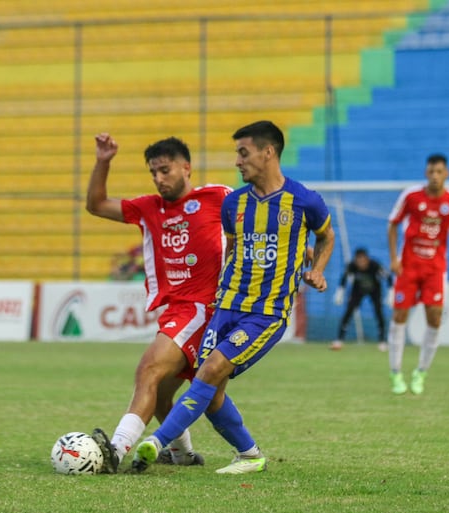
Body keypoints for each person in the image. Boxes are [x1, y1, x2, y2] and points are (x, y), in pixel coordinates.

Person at [131, 120, 335, 474]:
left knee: (209, 372)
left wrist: (316, 268)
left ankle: (156, 441)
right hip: (225, 308)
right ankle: (250, 455)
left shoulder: (304, 200)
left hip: (265, 313)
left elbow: (326, 236)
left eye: (243, 152)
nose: (238, 161)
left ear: (268, 152)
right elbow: (233, 249)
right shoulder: (233, 205)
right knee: (212, 393)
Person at [86, 133, 232, 473]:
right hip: (176, 311)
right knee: (162, 396)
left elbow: (258, 220)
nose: (159, 179)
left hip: (202, 308)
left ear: (186, 168)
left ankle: (116, 451)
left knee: (148, 370)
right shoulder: (148, 207)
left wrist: (304, 251)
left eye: (165, 170)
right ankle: (183, 455)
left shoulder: (217, 197)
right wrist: (103, 161)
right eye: (153, 172)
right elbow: (96, 204)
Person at [387, 153, 449, 395]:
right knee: (399, 317)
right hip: (408, 267)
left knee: (435, 319)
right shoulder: (410, 196)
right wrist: (393, 258)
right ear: (425, 173)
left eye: (439, 172)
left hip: (435, 269)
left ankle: (421, 372)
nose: (434, 176)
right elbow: (393, 224)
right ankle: (396, 373)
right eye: (431, 171)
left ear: (446, 174)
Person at [330, 247, 390, 351]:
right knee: (348, 312)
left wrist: (391, 293)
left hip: (375, 290)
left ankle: (382, 341)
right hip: (357, 290)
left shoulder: (375, 265)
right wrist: (340, 292)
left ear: (367, 259)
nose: (361, 263)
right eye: (359, 260)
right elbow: (344, 278)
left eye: (363, 260)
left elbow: (388, 277)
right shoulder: (351, 266)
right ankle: (339, 340)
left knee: (379, 313)